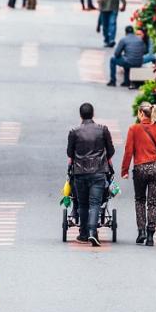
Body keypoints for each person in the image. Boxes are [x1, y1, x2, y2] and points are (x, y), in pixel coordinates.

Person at [121, 103, 156, 246]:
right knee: (152, 202)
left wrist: (124, 170)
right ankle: (151, 234)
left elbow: (128, 151)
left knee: (140, 200)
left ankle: (141, 232)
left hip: (140, 169)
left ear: (140, 113)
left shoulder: (133, 129)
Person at [67, 103, 115, 247]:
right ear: (93, 114)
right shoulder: (103, 130)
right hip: (99, 172)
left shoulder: (74, 132)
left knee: (82, 203)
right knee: (95, 203)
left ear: (80, 115)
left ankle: (83, 234)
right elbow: (110, 150)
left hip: (80, 173)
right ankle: (93, 233)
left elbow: (70, 153)